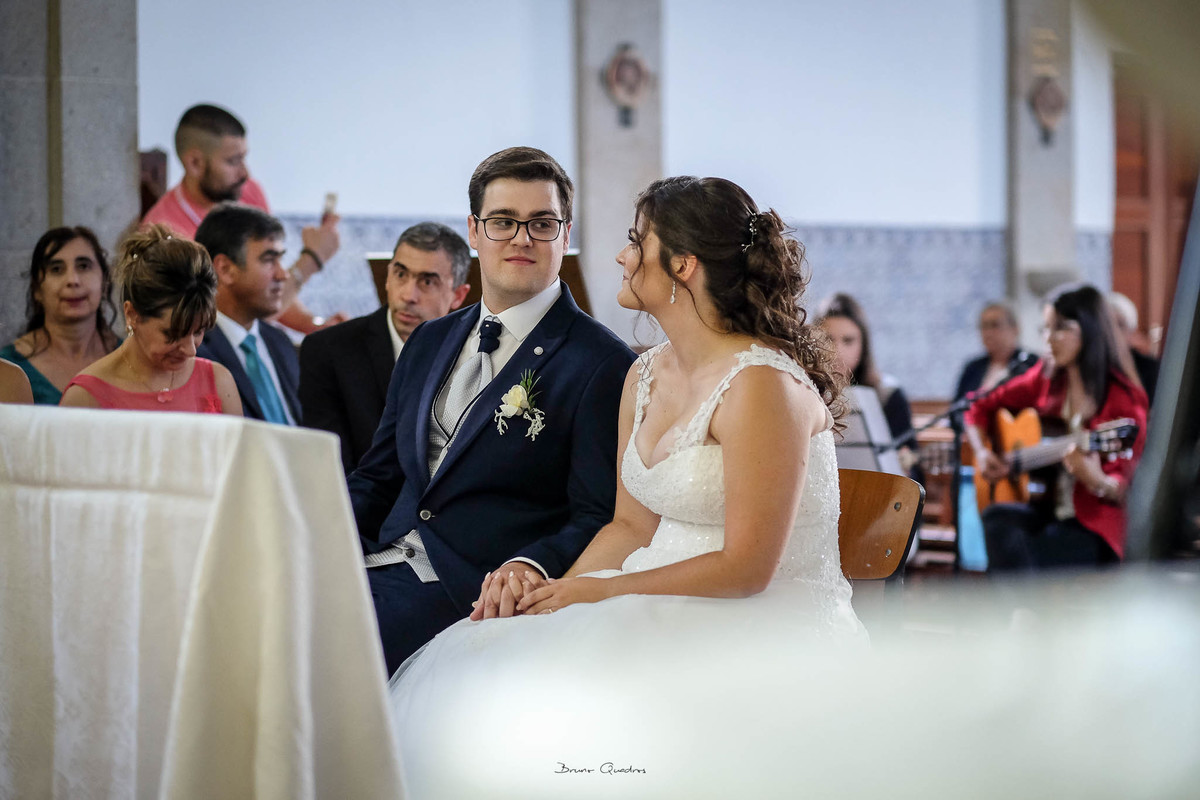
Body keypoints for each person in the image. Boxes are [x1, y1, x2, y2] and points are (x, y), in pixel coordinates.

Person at [386, 176, 862, 796]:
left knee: (567, 703)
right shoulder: (645, 375)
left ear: (683, 265)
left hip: (755, 623)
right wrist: (554, 592)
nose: (621, 254)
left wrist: (597, 593)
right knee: (491, 657)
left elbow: (748, 569)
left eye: (637, 241)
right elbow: (630, 526)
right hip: (654, 595)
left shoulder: (761, 386)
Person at [347, 147, 635, 674]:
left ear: (565, 235)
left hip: (471, 587)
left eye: (541, 223)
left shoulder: (602, 363)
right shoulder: (428, 341)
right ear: (474, 232)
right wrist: (312, 534)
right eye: (503, 222)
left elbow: (597, 514)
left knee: (326, 643)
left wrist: (530, 564)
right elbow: (379, 475)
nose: (522, 238)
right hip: (370, 560)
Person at [965, 283, 1148, 570]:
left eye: (1060, 328)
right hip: (1050, 510)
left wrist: (1097, 480)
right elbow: (978, 405)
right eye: (1046, 328)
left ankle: (1024, 602)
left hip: (1094, 525)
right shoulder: (1047, 379)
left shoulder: (1124, 398)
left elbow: (1127, 488)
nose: (1049, 339)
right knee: (997, 518)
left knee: (1035, 550)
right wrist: (982, 452)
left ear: (1090, 330)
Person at [141, 103, 344, 335]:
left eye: (244, 158)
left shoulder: (248, 192)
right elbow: (230, 316)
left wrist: (315, 325)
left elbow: (267, 285)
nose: (245, 173)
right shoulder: (165, 232)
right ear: (195, 163)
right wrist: (312, 259)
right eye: (232, 161)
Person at [299, 222, 471, 474]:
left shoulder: (476, 353)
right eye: (400, 274)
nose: (408, 295)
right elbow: (329, 468)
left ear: (458, 295)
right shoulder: (328, 350)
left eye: (427, 281)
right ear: (388, 277)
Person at [59, 226, 241, 414]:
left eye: (198, 331)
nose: (190, 350)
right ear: (132, 315)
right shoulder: (84, 397)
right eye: (172, 334)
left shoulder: (219, 382)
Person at [194, 203, 301, 424]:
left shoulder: (279, 341)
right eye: (269, 260)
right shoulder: (192, 349)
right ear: (225, 269)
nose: (283, 274)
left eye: (281, 259)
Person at [1, 227, 120, 404]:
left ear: (104, 282)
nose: (72, 280)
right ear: (37, 289)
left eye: (84, 266)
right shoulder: (6, 369)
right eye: (56, 269)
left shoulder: (134, 360)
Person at [817, 293, 918, 473]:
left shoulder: (888, 395)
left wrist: (904, 466)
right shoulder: (802, 389)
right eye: (828, 339)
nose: (837, 351)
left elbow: (915, 471)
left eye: (848, 341)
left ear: (863, 346)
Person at [953, 301, 1037, 403]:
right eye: (984, 326)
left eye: (995, 325)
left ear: (1015, 329)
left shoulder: (1031, 364)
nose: (988, 333)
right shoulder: (972, 368)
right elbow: (957, 406)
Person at [1108, 291, 1160, 406]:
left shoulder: (1150, 368)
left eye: (1120, 325)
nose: (1113, 333)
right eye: (1108, 325)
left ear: (1131, 332)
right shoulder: (1089, 364)